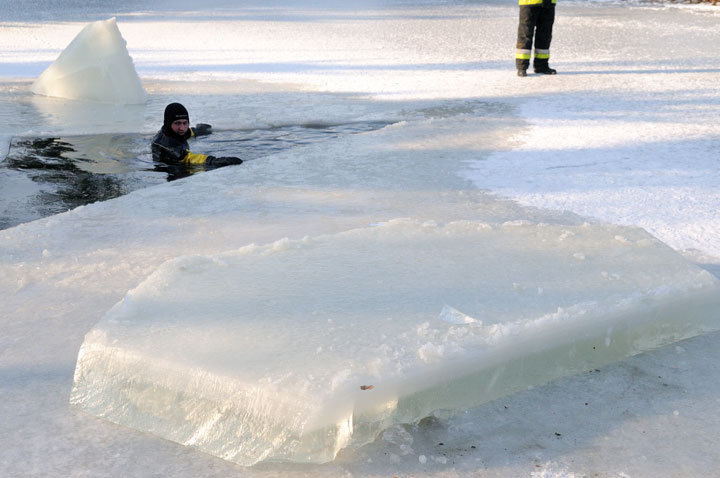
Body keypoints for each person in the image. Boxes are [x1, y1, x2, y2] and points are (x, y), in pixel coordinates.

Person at [151, 102, 243, 170]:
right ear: (168, 123)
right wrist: (214, 161)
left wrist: (197, 131)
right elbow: (190, 158)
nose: (182, 128)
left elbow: (187, 132)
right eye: (177, 123)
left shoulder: (171, 131)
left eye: (185, 123)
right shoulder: (168, 145)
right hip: (174, 169)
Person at [515, 0, 557, 77]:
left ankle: (541, 65)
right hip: (529, 3)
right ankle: (522, 67)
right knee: (525, 34)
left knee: (545, 35)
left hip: (548, 3)